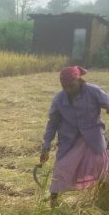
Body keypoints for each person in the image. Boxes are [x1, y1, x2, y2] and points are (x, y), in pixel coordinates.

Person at [41, 66, 109, 207]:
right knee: (62, 169)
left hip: (93, 139)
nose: (68, 90)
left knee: (102, 169)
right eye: (64, 87)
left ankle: (103, 200)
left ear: (79, 81)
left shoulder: (93, 91)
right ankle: (54, 203)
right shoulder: (59, 100)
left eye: (71, 86)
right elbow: (52, 124)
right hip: (69, 141)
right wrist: (46, 147)